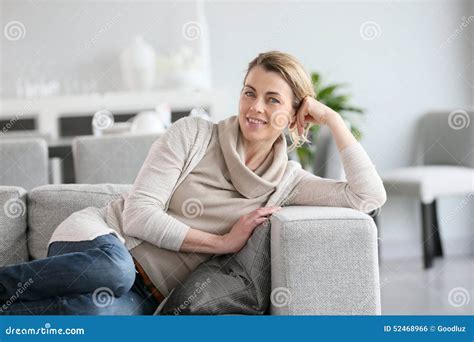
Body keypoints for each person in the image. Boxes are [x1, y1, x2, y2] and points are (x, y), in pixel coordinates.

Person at [0, 51, 386, 315]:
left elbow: (367, 197)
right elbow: (137, 215)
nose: (256, 108)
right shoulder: (193, 134)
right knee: (116, 271)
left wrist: (334, 121)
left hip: (147, 295)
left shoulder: (287, 182)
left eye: (273, 100)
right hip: (101, 243)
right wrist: (221, 243)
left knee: (94, 316)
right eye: (249, 93)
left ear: (295, 112)